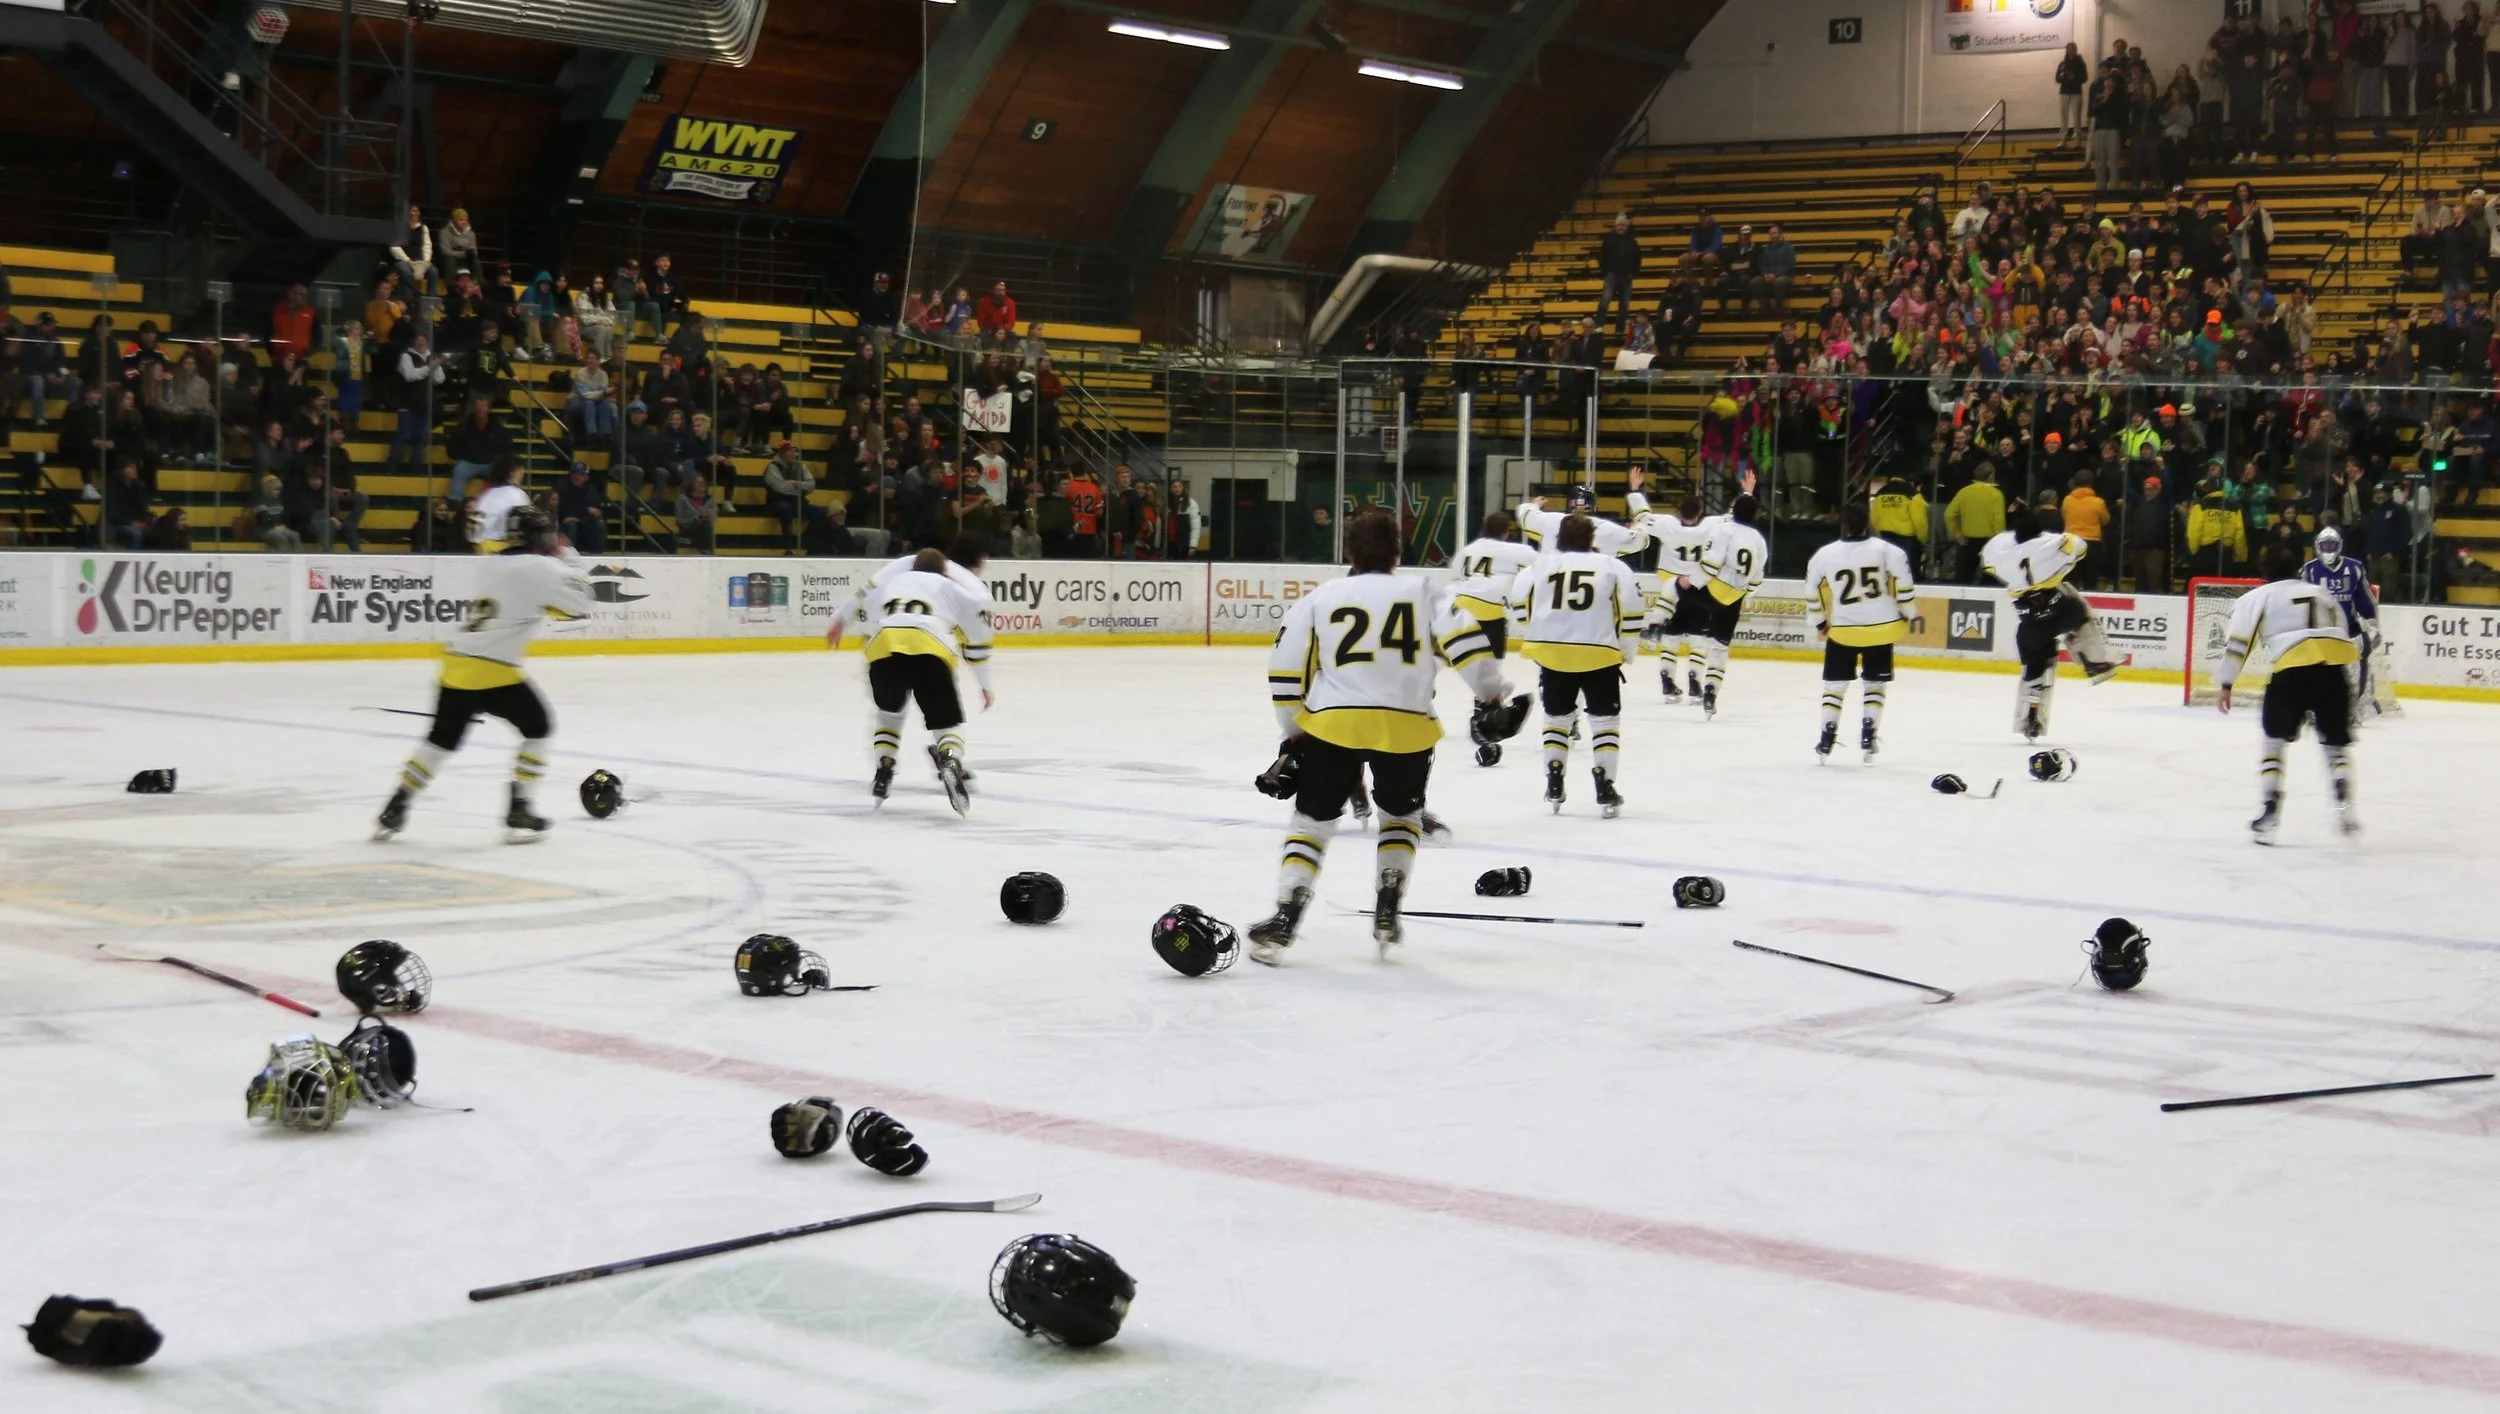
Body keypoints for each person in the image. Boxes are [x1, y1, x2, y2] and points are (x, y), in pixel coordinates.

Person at [1250, 508, 1510, 963]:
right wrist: (1491, 695)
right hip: (1408, 727)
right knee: (1401, 818)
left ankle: (1286, 916)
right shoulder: (1426, 591)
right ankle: (1388, 906)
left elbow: (1286, 669)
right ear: (1398, 551)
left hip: (1333, 725)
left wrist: (1294, 731)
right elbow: (1468, 644)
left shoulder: (1321, 597)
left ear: (1350, 551)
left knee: (1310, 823)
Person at [375, 508, 595, 844]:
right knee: (539, 728)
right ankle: (520, 805)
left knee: (441, 740)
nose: (554, 540)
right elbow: (580, 604)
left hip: (457, 662)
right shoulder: (540, 567)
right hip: (494, 669)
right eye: (550, 535)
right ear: (538, 537)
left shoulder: (493, 562)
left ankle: (397, 803)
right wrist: (570, 559)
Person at [2217, 540, 2359, 844]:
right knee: (2335, 748)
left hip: (2292, 670)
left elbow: (2238, 644)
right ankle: (2345, 807)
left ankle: (2269, 814)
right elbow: (2344, 632)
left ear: (2263, 569)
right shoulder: (2322, 593)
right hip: (2334, 670)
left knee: (2273, 744)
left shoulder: (2257, 597)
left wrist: (2227, 684)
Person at [842, 543, 996, 813]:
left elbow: (865, 612)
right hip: (930, 647)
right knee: (947, 722)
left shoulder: (893, 582)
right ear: (944, 571)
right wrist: (984, 684)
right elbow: (977, 633)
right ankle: (949, 759)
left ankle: (885, 765)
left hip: (883, 648)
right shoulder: (950, 586)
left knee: (889, 712)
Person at [1504, 513, 1641, 816]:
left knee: (1557, 718)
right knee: (1605, 722)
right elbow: (1631, 612)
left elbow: (1517, 601)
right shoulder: (1613, 567)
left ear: (1558, 539)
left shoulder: (1540, 566)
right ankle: (1605, 783)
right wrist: (1626, 652)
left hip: (1552, 654)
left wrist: (1536, 631)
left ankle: (1554, 777)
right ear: (1592, 539)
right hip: (1599, 653)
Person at [1981, 506, 2120, 742]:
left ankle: (2030, 716)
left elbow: (1988, 562)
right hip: (2062, 610)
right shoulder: (2051, 545)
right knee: (2080, 610)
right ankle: (2095, 660)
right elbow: (2080, 548)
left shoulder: (1998, 550)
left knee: (2035, 668)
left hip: (2030, 621)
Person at [1804, 501, 1916, 763]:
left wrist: (1820, 622)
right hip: (1882, 627)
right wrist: (1907, 613)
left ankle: (1826, 737)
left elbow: (1811, 591)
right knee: (1875, 684)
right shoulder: (1890, 550)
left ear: (1843, 523)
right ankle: (1868, 734)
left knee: (1834, 686)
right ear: (1868, 522)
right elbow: (1905, 584)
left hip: (1844, 629)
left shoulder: (1824, 554)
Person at [1626, 477, 1717, 702]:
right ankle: (1695, 682)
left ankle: (1667, 681)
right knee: (1698, 639)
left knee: (1671, 637)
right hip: (1699, 587)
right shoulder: (1711, 527)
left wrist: (1636, 489)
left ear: (1678, 511)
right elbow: (1735, 519)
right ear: (1700, 512)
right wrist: (1746, 494)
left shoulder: (1668, 525)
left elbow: (1643, 517)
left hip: (1671, 590)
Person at [1692, 493, 1768, 718]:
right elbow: (1757, 576)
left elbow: (1711, 563)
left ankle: (1659, 626)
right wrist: (1744, 594)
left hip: (1714, 589)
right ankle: (1711, 691)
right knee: (1720, 646)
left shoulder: (1723, 529)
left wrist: (1692, 583)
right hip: (1735, 596)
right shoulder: (1758, 539)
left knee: (1676, 591)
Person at [2302, 524, 2389, 719]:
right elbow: (2301, 603)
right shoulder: (2309, 570)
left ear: (2339, 546)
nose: (2329, 550)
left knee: (2358, 668)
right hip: (2319, 631)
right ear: (2318, 546)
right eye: (2325, 546)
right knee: (2314, 672)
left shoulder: (2354, 568)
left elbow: (2364, 600)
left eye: (2332, 546)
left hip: (2349, 629)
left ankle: (2356, 708)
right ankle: (2312, 708)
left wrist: (2373, 624)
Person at [1944, 462, 2007, 584]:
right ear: (1991, 475)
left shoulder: (1964, 492)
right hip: (1989, 542)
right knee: (1990, 580)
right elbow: (1999, 521)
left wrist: (1957, 534)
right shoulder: (1996, 494)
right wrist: (1999, 542)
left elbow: (1948, 514)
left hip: (1967, 542)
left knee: (1962, 579)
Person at [471, 456, 530, 553]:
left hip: (480, 549)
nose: (523, 472)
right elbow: (524, 527)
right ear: (512, 472)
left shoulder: (485, 494)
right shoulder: (517, 494)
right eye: (520, 469)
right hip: (500, 551)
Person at [1595, 213, 1640, 336]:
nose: (1621, 227)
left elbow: (1638, 258)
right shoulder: (1608, 240)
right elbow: (1601, 257)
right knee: (1606, 299)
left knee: (1624, 304)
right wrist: (1605, 271)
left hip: (1626, 276)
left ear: (1627, 227)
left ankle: (1620, 328)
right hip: (1612, 274)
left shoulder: (1632, 241)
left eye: (1623, 225)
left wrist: (1633, 273)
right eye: (1619, 225)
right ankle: (1599, 325)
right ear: (1616, 226)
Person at [554, 460, 606, 556]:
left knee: (599, 525)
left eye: (581, 474)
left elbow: (596, 510)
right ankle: (569, 555)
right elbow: (563, 508)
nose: (577, 477)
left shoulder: (591, 489)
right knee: (571, 524)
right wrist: (585, 509)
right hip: (564, 520)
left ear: (586, 477)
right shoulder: (562, 487)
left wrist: (581, 514)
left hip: (584, 519)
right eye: (575, 474)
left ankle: (597, 555)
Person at [2056, 42, 2091, 146]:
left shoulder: (2080, 63)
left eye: (2072, 49)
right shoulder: (2062, 64)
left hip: (2076, 92)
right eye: (2068, 49)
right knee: (2064, 116)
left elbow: (2085, 78)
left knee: (2076, 117)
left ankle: (2078, 140)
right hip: (2064, 92)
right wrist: (2064, 77)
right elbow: (2057, 78)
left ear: (2075, 50)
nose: (2070, 51)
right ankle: (2062, 140)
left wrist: (2074, 78)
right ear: (2066, 50)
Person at [676, 474, 719, 554]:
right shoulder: (683, 499)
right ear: (693, 485)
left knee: (706, 525)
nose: (702, 484)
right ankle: (706, 551)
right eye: (699, 483)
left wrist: (711, 516)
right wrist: (693, 519)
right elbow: (679, 520)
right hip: (688, 529)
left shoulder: (710, 500)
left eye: (703, 483)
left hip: (705, 528)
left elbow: (715, 517)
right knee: (702, 525)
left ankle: (704, 550)